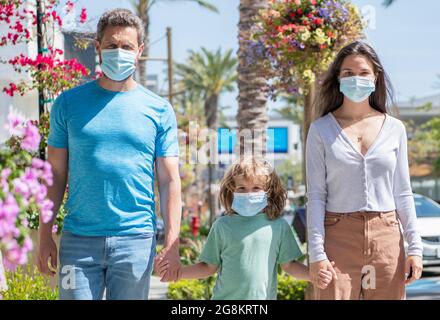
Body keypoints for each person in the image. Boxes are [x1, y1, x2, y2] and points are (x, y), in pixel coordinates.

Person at [37, 8, 182, 300]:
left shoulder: (159, 110)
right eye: (112, 45)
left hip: (136, 242)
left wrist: (173, 242)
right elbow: (54, 174)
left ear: (139, 50)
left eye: (127, 47)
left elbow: (169, 180)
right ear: (98, 47)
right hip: (78, 243)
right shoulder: (67, 104)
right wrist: (44, 235)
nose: (119, 52)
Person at [306, 41, 423, 300]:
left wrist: (415, 248)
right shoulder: (321, 130)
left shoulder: (395, 129)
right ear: (337, 79)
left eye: (363, 73)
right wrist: (317, 254)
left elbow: (403, 192)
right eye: (348, 73)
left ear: (375, 77)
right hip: (337, 236)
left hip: (387, 235)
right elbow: (316, 195)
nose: (355, 79)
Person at [155, 157, 333, 299]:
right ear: (231, 190)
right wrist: (178, 274)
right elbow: (208, 267)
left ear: (269, 192)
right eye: (242, 187)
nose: (249, 193)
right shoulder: (222, 226)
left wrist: (312, 275)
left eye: (256, 188)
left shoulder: (278, 227)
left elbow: (289, 265)